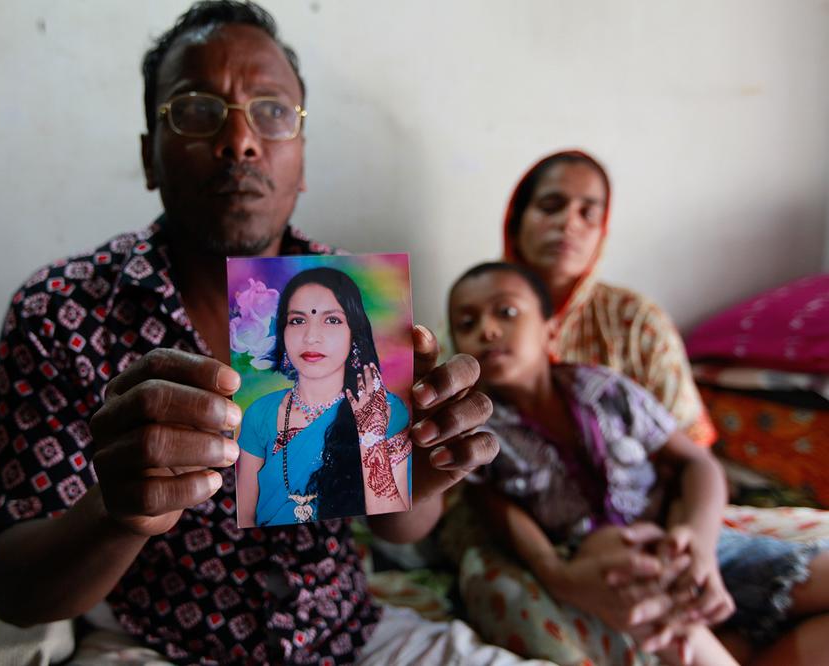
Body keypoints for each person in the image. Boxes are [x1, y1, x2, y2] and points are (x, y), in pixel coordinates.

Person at [0, 3, 528, 664]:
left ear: (301, 160)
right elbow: (14, 592)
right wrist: (114, 513)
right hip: (158, 647)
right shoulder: (58, 312)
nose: (239, 140)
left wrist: (422, 475)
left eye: (271, 111)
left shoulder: (357, 300)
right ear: (149, 157)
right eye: (196, 110)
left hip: (349, 637)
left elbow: (397, 526)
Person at [447, 260, 829, 665]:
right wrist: (561, 576)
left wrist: (698, 544)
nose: (487, 330)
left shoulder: (606, 389)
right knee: (615, 550)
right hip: (610, 571)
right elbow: (507, 522)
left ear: (551, 329)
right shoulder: (478, 437)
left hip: (689, 547)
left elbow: (698, 464)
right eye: (467, 324)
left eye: (506, 312)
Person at [502, 150, 716, 446]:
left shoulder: (638, 320)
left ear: (602, 232)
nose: (568, 222)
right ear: (515, 223)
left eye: (588, 214)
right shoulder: (477, 314)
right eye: (551, 206)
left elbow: (691, 445)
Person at [237, 267, 411, 527]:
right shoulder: (260, 413)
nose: (311, 337)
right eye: (297, 321)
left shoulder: (385, 410)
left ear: (354, 332)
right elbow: (245, 516)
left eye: (332, 320)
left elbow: (392, 518)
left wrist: (370, 434)